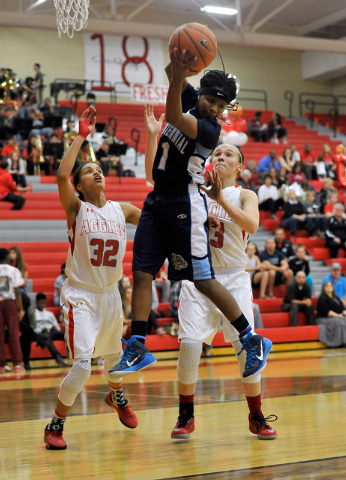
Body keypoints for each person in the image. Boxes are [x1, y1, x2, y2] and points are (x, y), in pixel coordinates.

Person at [108, 53, 272, 380]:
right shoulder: (193, 99)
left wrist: (177, 76)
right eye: (210, 100)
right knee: (141, 273)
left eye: (220, 105)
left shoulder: (209, 129)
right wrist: (177, 57)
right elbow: (174, 74)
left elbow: (172, 112)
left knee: (201, 279)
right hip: (157, 199)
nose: (213, 107)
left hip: (185, 201)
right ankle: (137, 344)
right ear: (203, 95)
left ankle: (251, 338)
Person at [43, 106, 142, 450]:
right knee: (83, 365)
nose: (96, 172)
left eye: (99, 168)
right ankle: (55, 424)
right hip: (81, 294)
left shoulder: (123, 209)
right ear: (80, 186)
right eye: (89, 170)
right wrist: (81, 135)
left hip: (111, 294)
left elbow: (154, 221)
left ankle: (116, 396)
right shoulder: (76, 209)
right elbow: (59, 176)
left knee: (116, 359)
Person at [170, 143, 277, 439]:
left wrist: (220, 201)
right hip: (199, 278)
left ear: (240, 167)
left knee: (246, 352)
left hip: (233, 278)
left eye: (229, 154)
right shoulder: (196, 191)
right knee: (190, 345)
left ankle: (256, 415)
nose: (221, 156)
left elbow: (252, 225)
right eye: (217, 153)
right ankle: (185, 415)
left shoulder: (245, 195)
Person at [0, 248, 25, 374]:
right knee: (13, 332)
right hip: (10, 302)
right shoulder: (13, 270)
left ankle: (1, 366)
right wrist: (20, 308)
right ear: (7, 257)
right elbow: (17, 290)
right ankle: (17, 364)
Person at [34, 292, 67, 367]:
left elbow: (57, 327)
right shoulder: (34, 314)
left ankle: (82, 355)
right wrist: (41, 330)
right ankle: (58, 357)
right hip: (42, 333)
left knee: (65, 334)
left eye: (44, 303)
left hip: (52, 332)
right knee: (46, 337)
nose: (43, 305)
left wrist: (54, 328)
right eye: (41, 303)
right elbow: (33, 329)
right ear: (36, 302)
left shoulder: (50, 314)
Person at [316, 281, 346, 347]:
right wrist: (338, 316)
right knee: (339, 322)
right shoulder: (322, 298)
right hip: (324, 318)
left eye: (331, 286)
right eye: (327, 286)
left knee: (344, 320)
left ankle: (344, 341)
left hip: (337, 317)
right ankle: (337, 343)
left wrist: (344, 313)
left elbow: (342, 308)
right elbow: (326, 312)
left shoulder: (336, 298)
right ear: (324, 288)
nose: (329, 287)